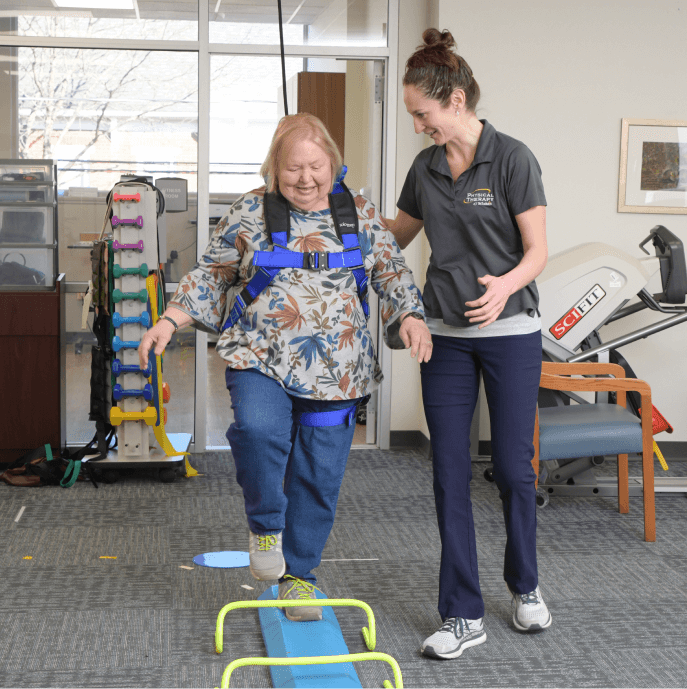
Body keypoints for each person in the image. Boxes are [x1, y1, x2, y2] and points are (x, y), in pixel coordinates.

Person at [139, 113, 431, 621]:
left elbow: (391, 270)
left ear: (332, 163)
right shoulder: (250, 210)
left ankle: (299, 577)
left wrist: (410, 316)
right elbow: (212, 273)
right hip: (260, 354)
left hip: (338, 369)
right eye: (292, 167)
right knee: (256, 431)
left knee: (319, 471)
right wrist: (169, 319)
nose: (305, 178)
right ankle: (266, 526)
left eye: (315, 166)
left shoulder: (357, 212)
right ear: (274, 167)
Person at [387, 29, 551, 659]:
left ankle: (526, 586)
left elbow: (536, 252)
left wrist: (505, 285)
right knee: (450, 472)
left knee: (512, 467)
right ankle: (462, 614)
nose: (419, 126)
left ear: (455, 99)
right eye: (412, 117)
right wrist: (340, 213)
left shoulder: (512, 158)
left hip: (510, 333)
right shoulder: (425, 168)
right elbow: (395, 237)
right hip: (446, 340)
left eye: (422, 114)